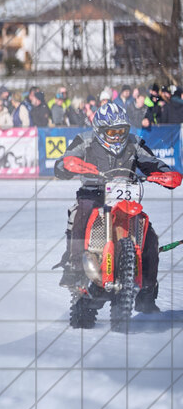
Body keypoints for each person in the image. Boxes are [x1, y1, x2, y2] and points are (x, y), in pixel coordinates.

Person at [53, 103, 181, 314]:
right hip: (93, 195)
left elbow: (152, 162)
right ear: (99, 130)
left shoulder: (134, 143)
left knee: (149, 234)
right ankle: (75, 269)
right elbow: (62, 164)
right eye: (111, 132)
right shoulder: (84, 141)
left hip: (125, 199)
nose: (117, 136)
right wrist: (70, 165)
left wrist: (165, 174)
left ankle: (147, 291)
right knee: (80, 211)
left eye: (121, 131)